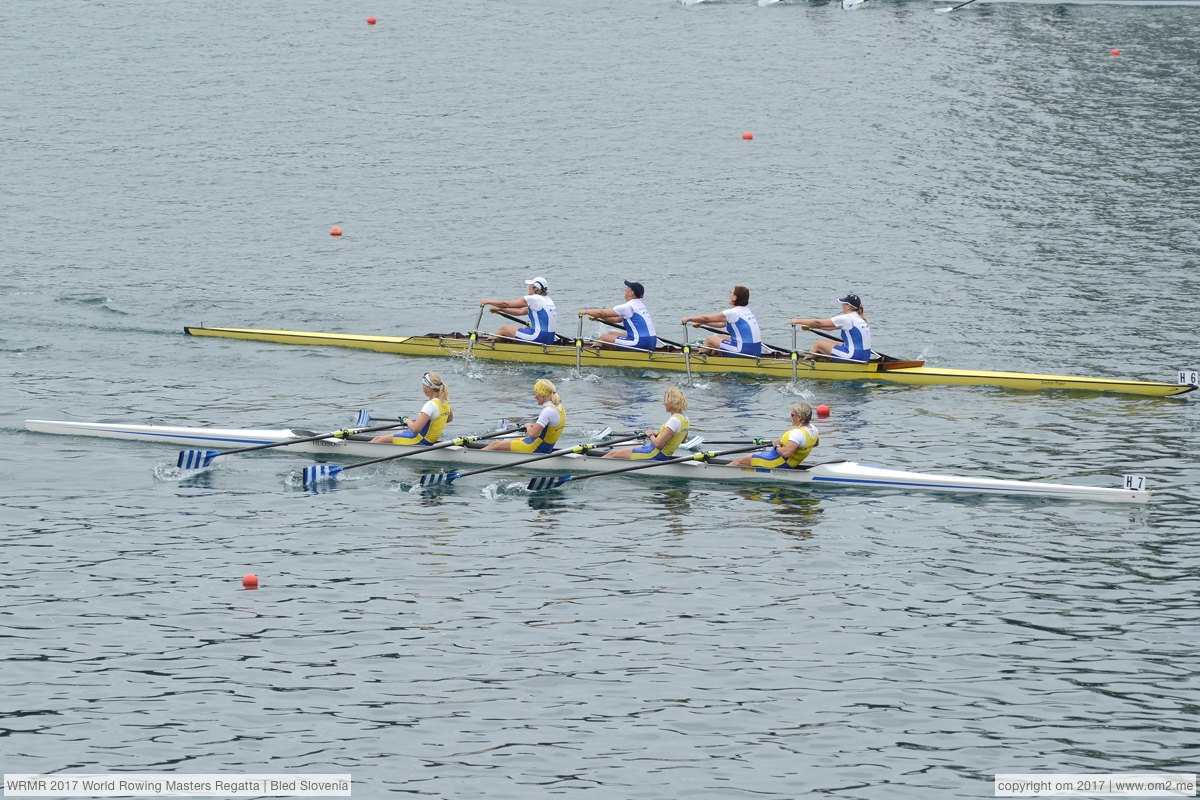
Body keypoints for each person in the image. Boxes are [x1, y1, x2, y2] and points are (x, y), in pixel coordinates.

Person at [483, 378, 566, 453]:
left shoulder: (548, 411)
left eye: (536, 393)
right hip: (545, 447)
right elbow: (550, 428)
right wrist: (535, 426)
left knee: (495, 444)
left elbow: (532, 435)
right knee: (509, 440)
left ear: (542, 394)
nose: (535, 396)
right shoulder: (559, 407)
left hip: (535, 448)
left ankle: (473, 457)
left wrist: (528, 426)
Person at [604, 387, 689, 460]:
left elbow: (658, 445)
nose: (664, 403)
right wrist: (657, 434)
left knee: (612, 454)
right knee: (617, 453)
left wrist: (650, 435)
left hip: (654, 454)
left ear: (671, 402)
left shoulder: (673, 420)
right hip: (662, 454)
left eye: (665, 401)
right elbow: (682, 440)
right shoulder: (685, 419)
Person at [370, 372, 454, 445]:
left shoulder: (430, 405)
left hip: (418, 440)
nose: (422, 387)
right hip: (428, 440)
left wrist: (408, 421)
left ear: (429, 388)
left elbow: (415, 429)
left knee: (378, 439)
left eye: (423, 385)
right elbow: (449, 419)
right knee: (395, 434)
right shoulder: (445, 402)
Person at [728, 403, 819, 470]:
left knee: (738, 461)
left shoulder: (797, 434)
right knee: (748, 460)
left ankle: (716, 475)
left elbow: (786, 454)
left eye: (792, 415)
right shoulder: (814, 429)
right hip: (787, 462)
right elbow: (815, 444)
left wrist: (777, 445)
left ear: (799, 417)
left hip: (776, 461)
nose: (791, 417)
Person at [681, 285, 762, 357]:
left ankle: (698, 362)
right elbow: (722, 324)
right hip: (756, 350)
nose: (730, 294)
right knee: (721, 337)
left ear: (735, 297)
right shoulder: (746, 310)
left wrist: (689, 319)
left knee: (710, 340)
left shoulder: (733, 312)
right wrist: (701, 322)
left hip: (744, 351)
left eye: (731, 292)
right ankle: (715, 357)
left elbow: (707, 318)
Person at [578, 280, 658, 352]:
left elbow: (601, 312)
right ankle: (610, 353)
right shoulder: (640, 305)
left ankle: (588, 355)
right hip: (651, 342)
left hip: (640, 343)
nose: (625, 290)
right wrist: (599, 317)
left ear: (631, 293)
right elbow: (616, 319)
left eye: (627, 288)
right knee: (611, 333)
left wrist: (585, 311)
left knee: (603, 338)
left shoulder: (628, 307)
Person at [792, 294, 872, 363]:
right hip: (864, 356)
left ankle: (802, 367)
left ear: (848, 305)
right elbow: (829, 328)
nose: (842, 305)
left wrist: (797, 321)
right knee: (824, 342)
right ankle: (813, 361)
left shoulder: (846, 318)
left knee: (819, 344)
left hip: (854, 357)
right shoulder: (859, 318)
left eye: (843, 303)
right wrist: (811, 326)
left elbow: (818, 322)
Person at [481, 276, 557, 345]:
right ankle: (499, 344)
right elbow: (520, 311)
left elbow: (506, 304)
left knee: (504, 329)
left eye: (530, 285)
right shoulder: (548, 300)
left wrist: (488, 301)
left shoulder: (534, 298)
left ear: (534, 287)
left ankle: (482, 348)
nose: (528, 287)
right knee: (522, 328)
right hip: (550, 338)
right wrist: (501, 309)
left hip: (538, 337)